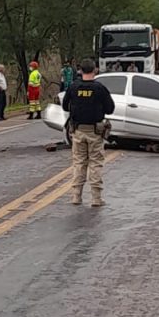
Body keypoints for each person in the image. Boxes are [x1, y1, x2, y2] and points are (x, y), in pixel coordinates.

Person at [62, 58, 115, 207]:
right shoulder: (99, 88)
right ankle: (96, 198)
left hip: (78, 131)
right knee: (95, 163)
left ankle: (76, 196)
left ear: (80, 71)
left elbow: (65, 106)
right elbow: (110, 108)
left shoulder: (73, 87)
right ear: (95, 70)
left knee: (79, 163)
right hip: (95, 132)